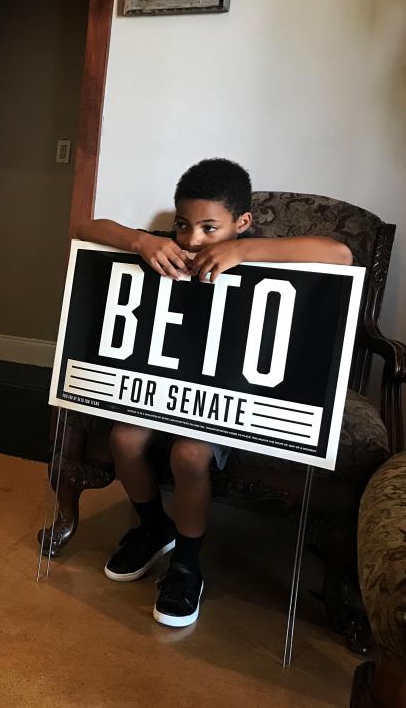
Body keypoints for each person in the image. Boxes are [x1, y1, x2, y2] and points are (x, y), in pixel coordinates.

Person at [73, 158, 352, 627]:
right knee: (124, 439)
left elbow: (340, 255)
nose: (193, 240)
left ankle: (187, 562)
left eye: (208, 228)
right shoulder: (167, 247)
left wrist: (246, 253)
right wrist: (143, 240)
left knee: (190, 454)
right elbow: (86, 226)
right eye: (183, 224)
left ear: (241, 223)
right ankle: (152, 526)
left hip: (228, 391)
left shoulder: (248, 249)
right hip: (162, 381)